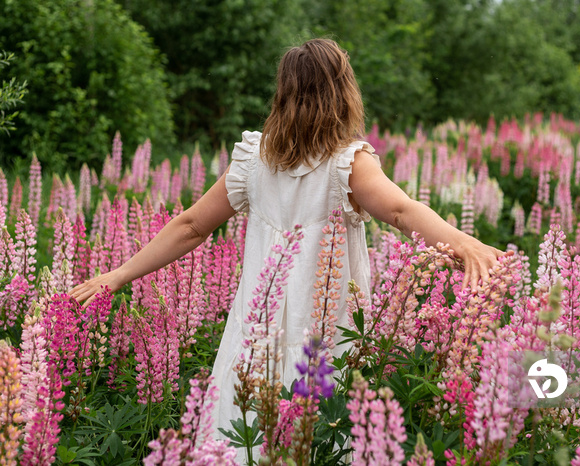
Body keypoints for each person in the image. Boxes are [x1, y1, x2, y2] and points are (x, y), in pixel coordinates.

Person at [69, 38, 502, 442]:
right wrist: (463, 242)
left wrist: (119, 274)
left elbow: (191, 227)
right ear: (343, 94)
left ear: (283, 95)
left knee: (246, 436)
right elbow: (401, 210)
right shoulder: (347, 164)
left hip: (255, 335)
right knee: (321, 441)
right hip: (328, 337)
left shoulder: (254, 162)